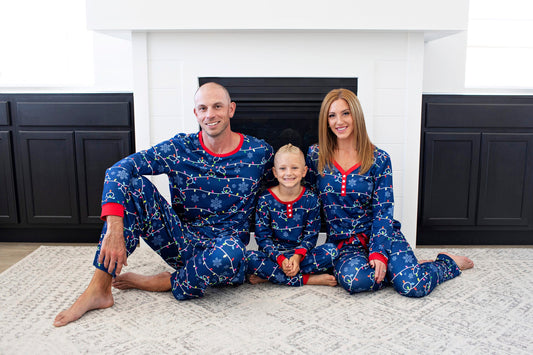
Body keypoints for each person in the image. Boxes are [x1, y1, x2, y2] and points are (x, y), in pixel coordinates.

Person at [53, 82, 274, 327]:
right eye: (203, 108)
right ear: (196, 113)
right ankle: (100, 288)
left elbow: (286, 188)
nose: (210, 114)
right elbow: (120, 168)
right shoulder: (179, 149)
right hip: (182, 242)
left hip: (226, 253)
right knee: (136, 186)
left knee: (233, 252)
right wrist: (114, 229)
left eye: (217, 106)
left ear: (231, 109)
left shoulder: (259, 152)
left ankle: (167, 282)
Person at [305, 88, 474, 297]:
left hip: (383, 236)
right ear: (326, 120)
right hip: (344, 244)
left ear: (356, 115)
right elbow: (309, 203)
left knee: (413, 286)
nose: (339, 121)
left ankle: (444, 264)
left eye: (346, 113)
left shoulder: (379, 159)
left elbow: (383, 210)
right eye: (332, 115)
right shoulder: (315, 155)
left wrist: (379, 251)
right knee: (355, 281)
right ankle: (405, 269)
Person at [246, 144, 338, 287]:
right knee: (248, 258)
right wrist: (280, 259)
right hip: (274, 256)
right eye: (283, 168)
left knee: (332, 252)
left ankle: (271, 276)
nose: (288, 173)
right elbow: (262, 237)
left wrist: (297, 256)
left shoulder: (311, 199)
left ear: (304, 171)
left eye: (294, 168)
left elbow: (311, 235)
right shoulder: (265, 199)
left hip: (301, 256)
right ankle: (307, 279)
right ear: (275, 172)